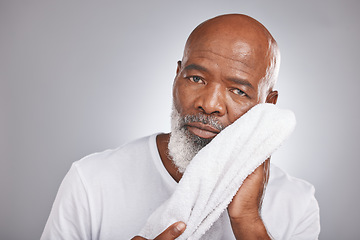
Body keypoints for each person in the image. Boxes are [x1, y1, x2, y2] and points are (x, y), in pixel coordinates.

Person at [41, 14, 320, 239]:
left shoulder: (296, 203)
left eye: (238, 91)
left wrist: (248, 221)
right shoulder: (92, 181)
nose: (209, 104)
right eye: (196, 78)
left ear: (268, 105)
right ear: (177, 76)